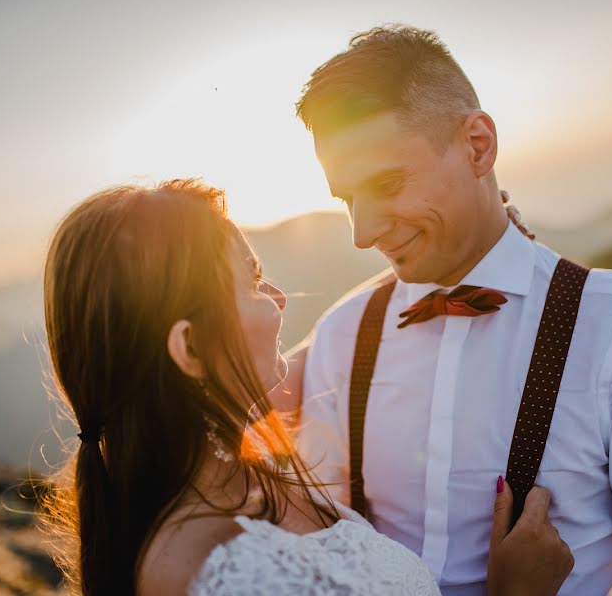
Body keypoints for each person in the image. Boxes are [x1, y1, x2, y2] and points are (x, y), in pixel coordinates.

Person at [291, 25, 612, 595]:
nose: (363, 232)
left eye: (387, 182)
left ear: (478, 145)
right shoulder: (342, 335)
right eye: (346, 199)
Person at [39, 179, 573, 595]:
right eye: (250, 282)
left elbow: (344, 333)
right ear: (191, 350)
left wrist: (484, 240)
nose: (277, 297)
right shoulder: (213, 571)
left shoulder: (241, 467)